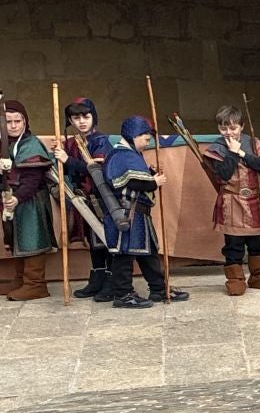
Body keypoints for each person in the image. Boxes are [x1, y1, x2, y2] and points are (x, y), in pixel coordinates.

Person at [194, 105, 260, 296]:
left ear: (241, 126)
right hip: (231, 201)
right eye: (223, 128)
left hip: (254, 200)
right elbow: (224, 174)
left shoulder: (253, 143)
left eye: (233, 128)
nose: (229, 132)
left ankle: (258, 276)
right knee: (234, 244)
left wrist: (242, 153)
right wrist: (232, 153)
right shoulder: (217, 149)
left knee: (257, 242)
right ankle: (235, 279)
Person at [101, 116, 188, 307]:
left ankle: (158, 288)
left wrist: (150, 173)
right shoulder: (122, 155)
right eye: (146, 139)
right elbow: (132, 181)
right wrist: (153, 182)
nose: (147, 143)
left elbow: (138, 176)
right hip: (127, 214)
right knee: (125, 254)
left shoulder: (131, 154)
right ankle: (123, 294)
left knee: (148, 253)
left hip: (139, 214)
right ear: (134, 135)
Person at [53, 98, 112, 298]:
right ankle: (97, 278)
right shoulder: (70, 143)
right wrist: (60, 157)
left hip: (103, 198)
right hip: (83, 198)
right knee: (93, 240)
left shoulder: (100, 141)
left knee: (106, 238)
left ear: (93, 117)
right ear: (70, 120)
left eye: (86, 117)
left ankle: (112, 281)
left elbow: (96, 169)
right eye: (76, 118)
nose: (82, 122)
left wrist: (67, 160)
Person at [2, 101, 58, 301]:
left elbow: (32, 180)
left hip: (31, 201)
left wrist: (17, 198)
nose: (13, 126)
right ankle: (21, 279)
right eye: (8, 121)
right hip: (11, 201)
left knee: (31, 237)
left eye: (17, 121)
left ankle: (36, 284)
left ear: (25, 121)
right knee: (16, 238)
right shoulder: (4, 144)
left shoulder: (31, 144)